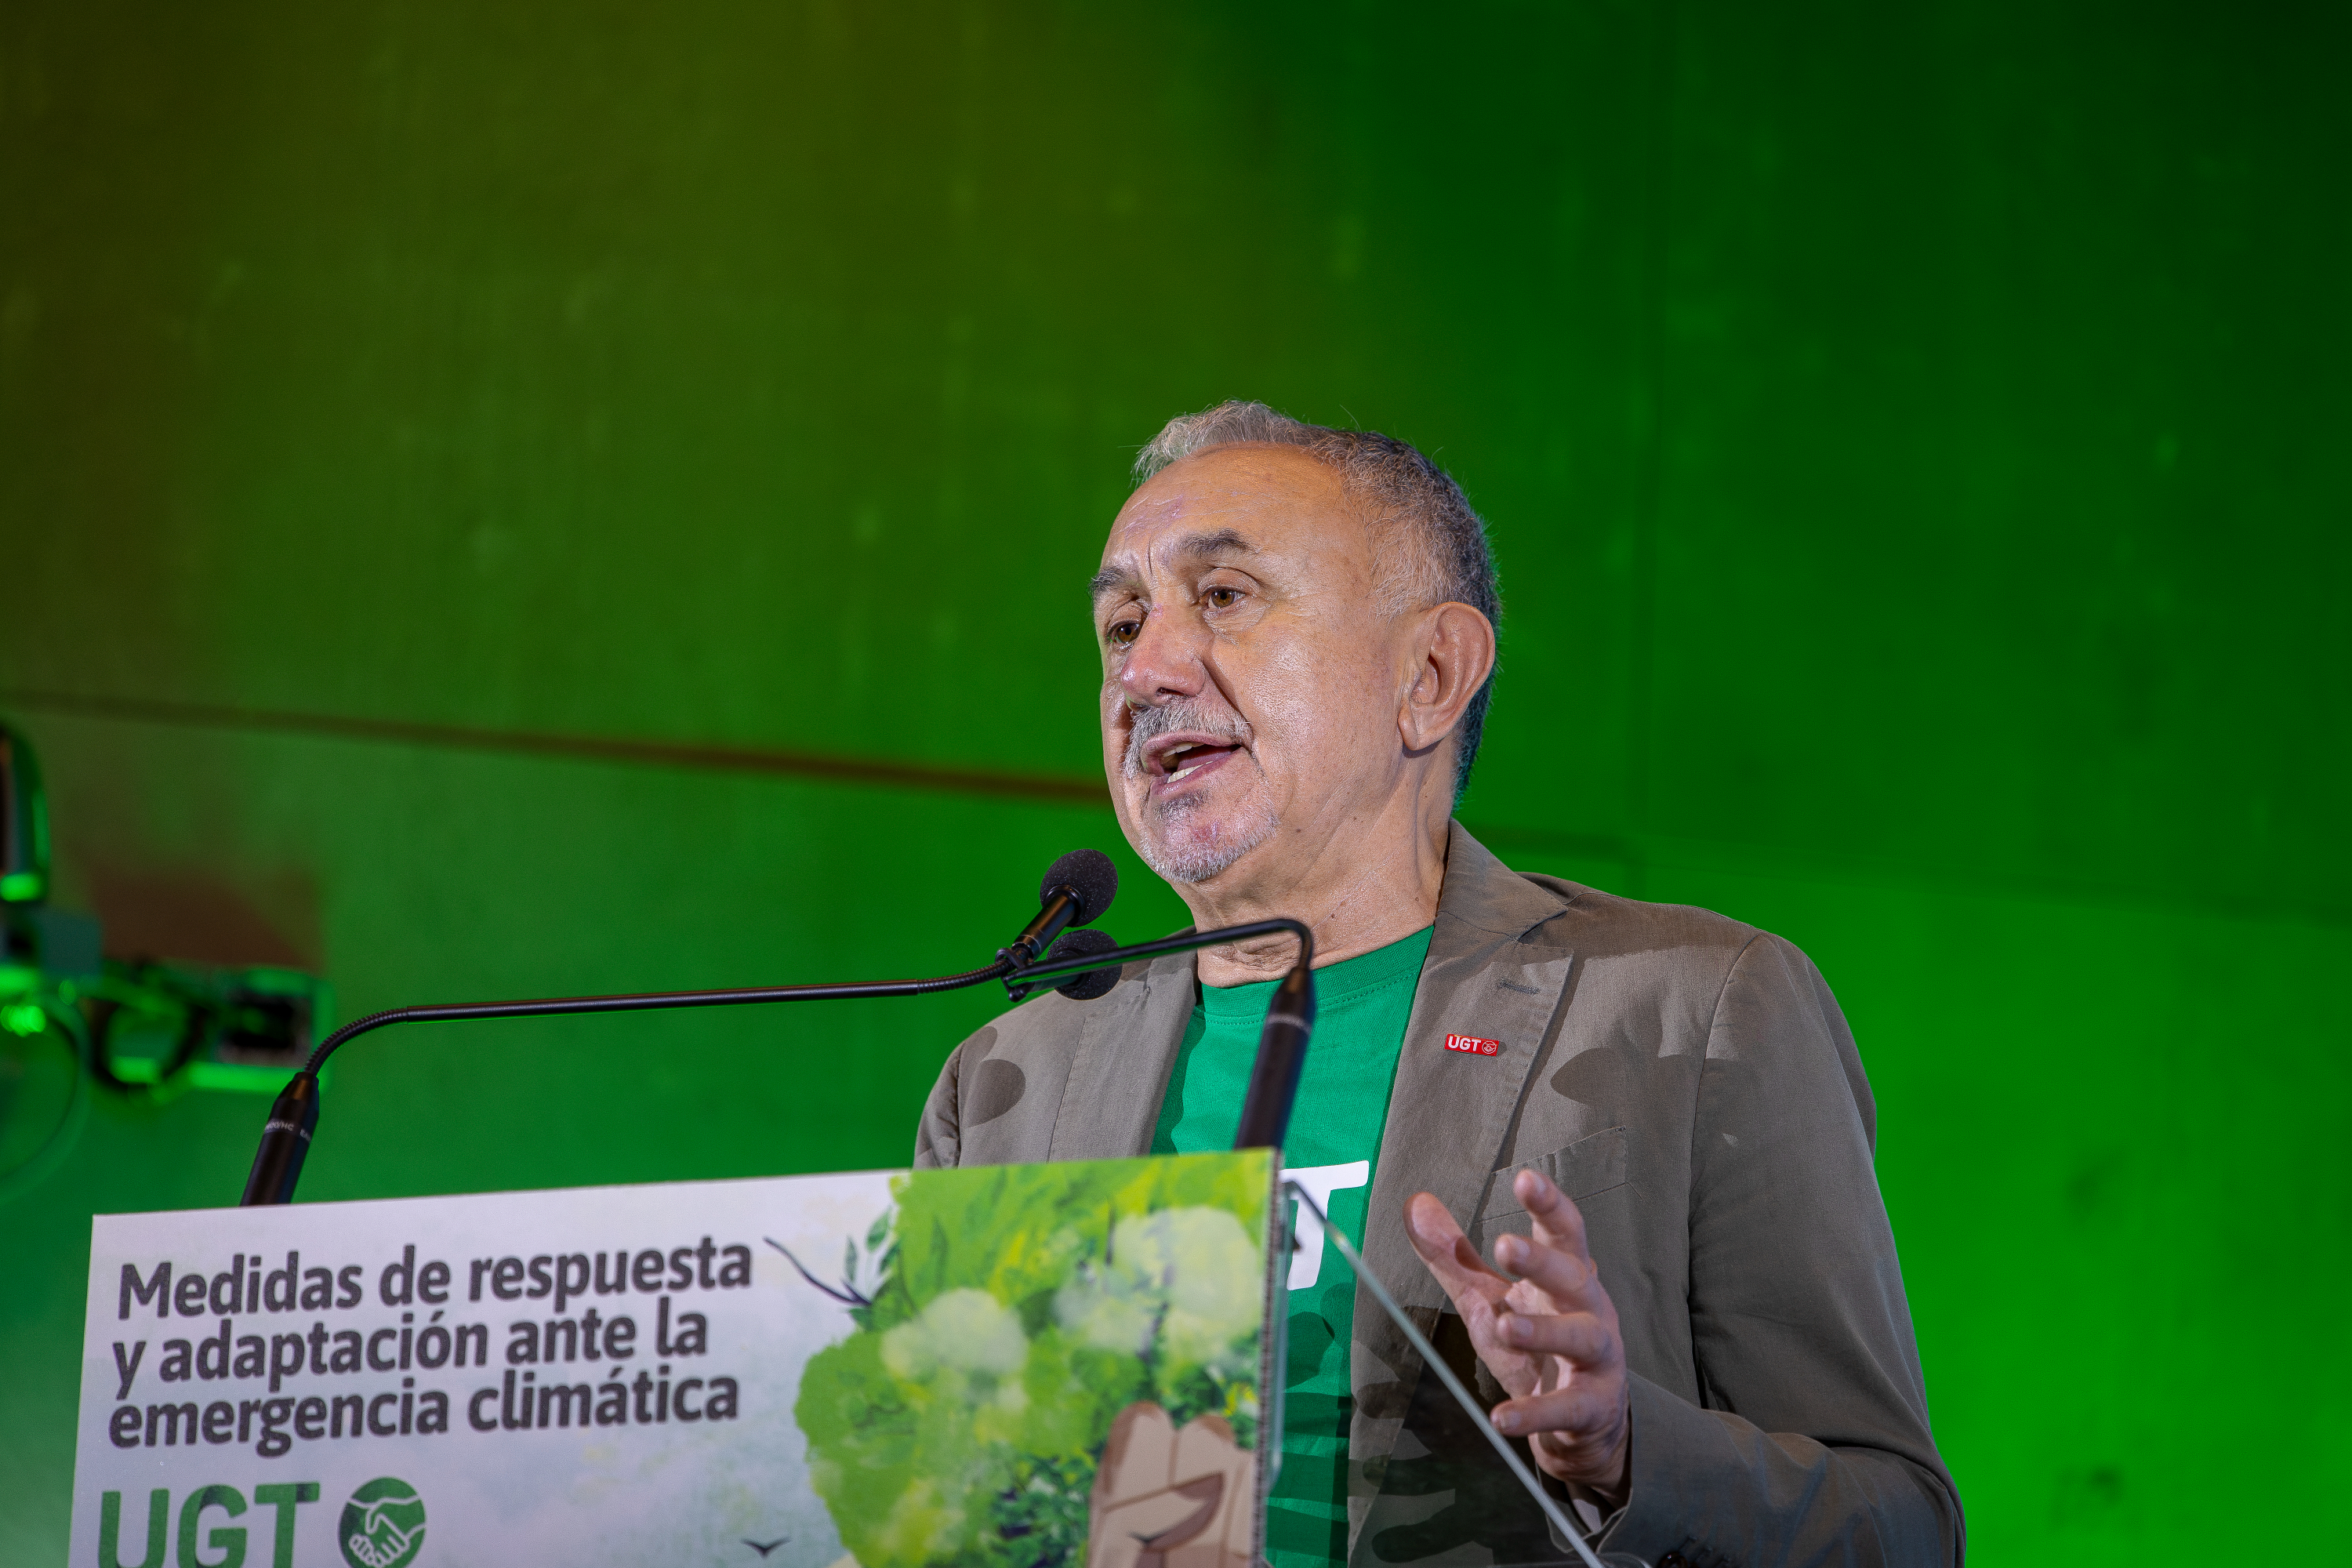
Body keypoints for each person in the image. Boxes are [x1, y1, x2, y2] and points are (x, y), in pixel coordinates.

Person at [916, 401, 1962, 1566]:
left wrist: (1623, 1451)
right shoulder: (1009, 1082)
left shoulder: (1697, 1009)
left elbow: (1898, 1530)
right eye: (1121, 623)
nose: (1146, 670)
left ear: (1429, 673)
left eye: (1222, 597)